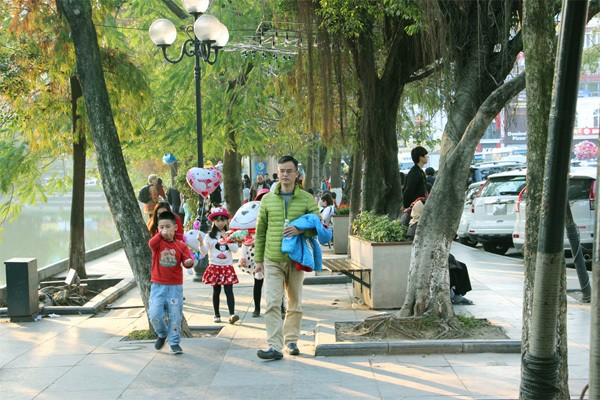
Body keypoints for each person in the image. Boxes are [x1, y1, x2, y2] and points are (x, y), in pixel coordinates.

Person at [254, 155, 321, 360]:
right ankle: (274, 346)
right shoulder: (267, 199)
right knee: (273, 302)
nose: (285, 174)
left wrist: (301, 231)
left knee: (295, 302)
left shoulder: (306, 199)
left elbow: (318, 226)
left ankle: (291, 340)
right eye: (282, 171)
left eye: (289, 171)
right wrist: (258, 260)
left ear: (296, 174)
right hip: (272, 259)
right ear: (278, 173)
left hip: (296, 259)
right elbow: (260, 230)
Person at [148, 211, 194, 355]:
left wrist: (188, 262)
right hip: (158, 286)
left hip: (175, 288)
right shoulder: (157, 243)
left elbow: (188, 260)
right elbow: (151, 243)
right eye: (161, 227)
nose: (165, 230)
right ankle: (162, 333)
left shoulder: (181, 245)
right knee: (154, 314)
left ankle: (174, 342)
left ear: (175, 227)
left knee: (175, 316)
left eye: (168, 226)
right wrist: (159, 235)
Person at [199, 207, 240, 324]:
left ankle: (232, 314)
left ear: (226, 221)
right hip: (215, 266)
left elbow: (235, 249)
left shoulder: (231, 234)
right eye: (217, 220)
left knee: (229, 291)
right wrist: (200, 242)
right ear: (213, 222)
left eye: (223, 220)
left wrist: (227, 238)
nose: (220, 223)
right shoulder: (209, 236)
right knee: (216, 291)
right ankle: (216, 314)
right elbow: (204, 252)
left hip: (227, 267)